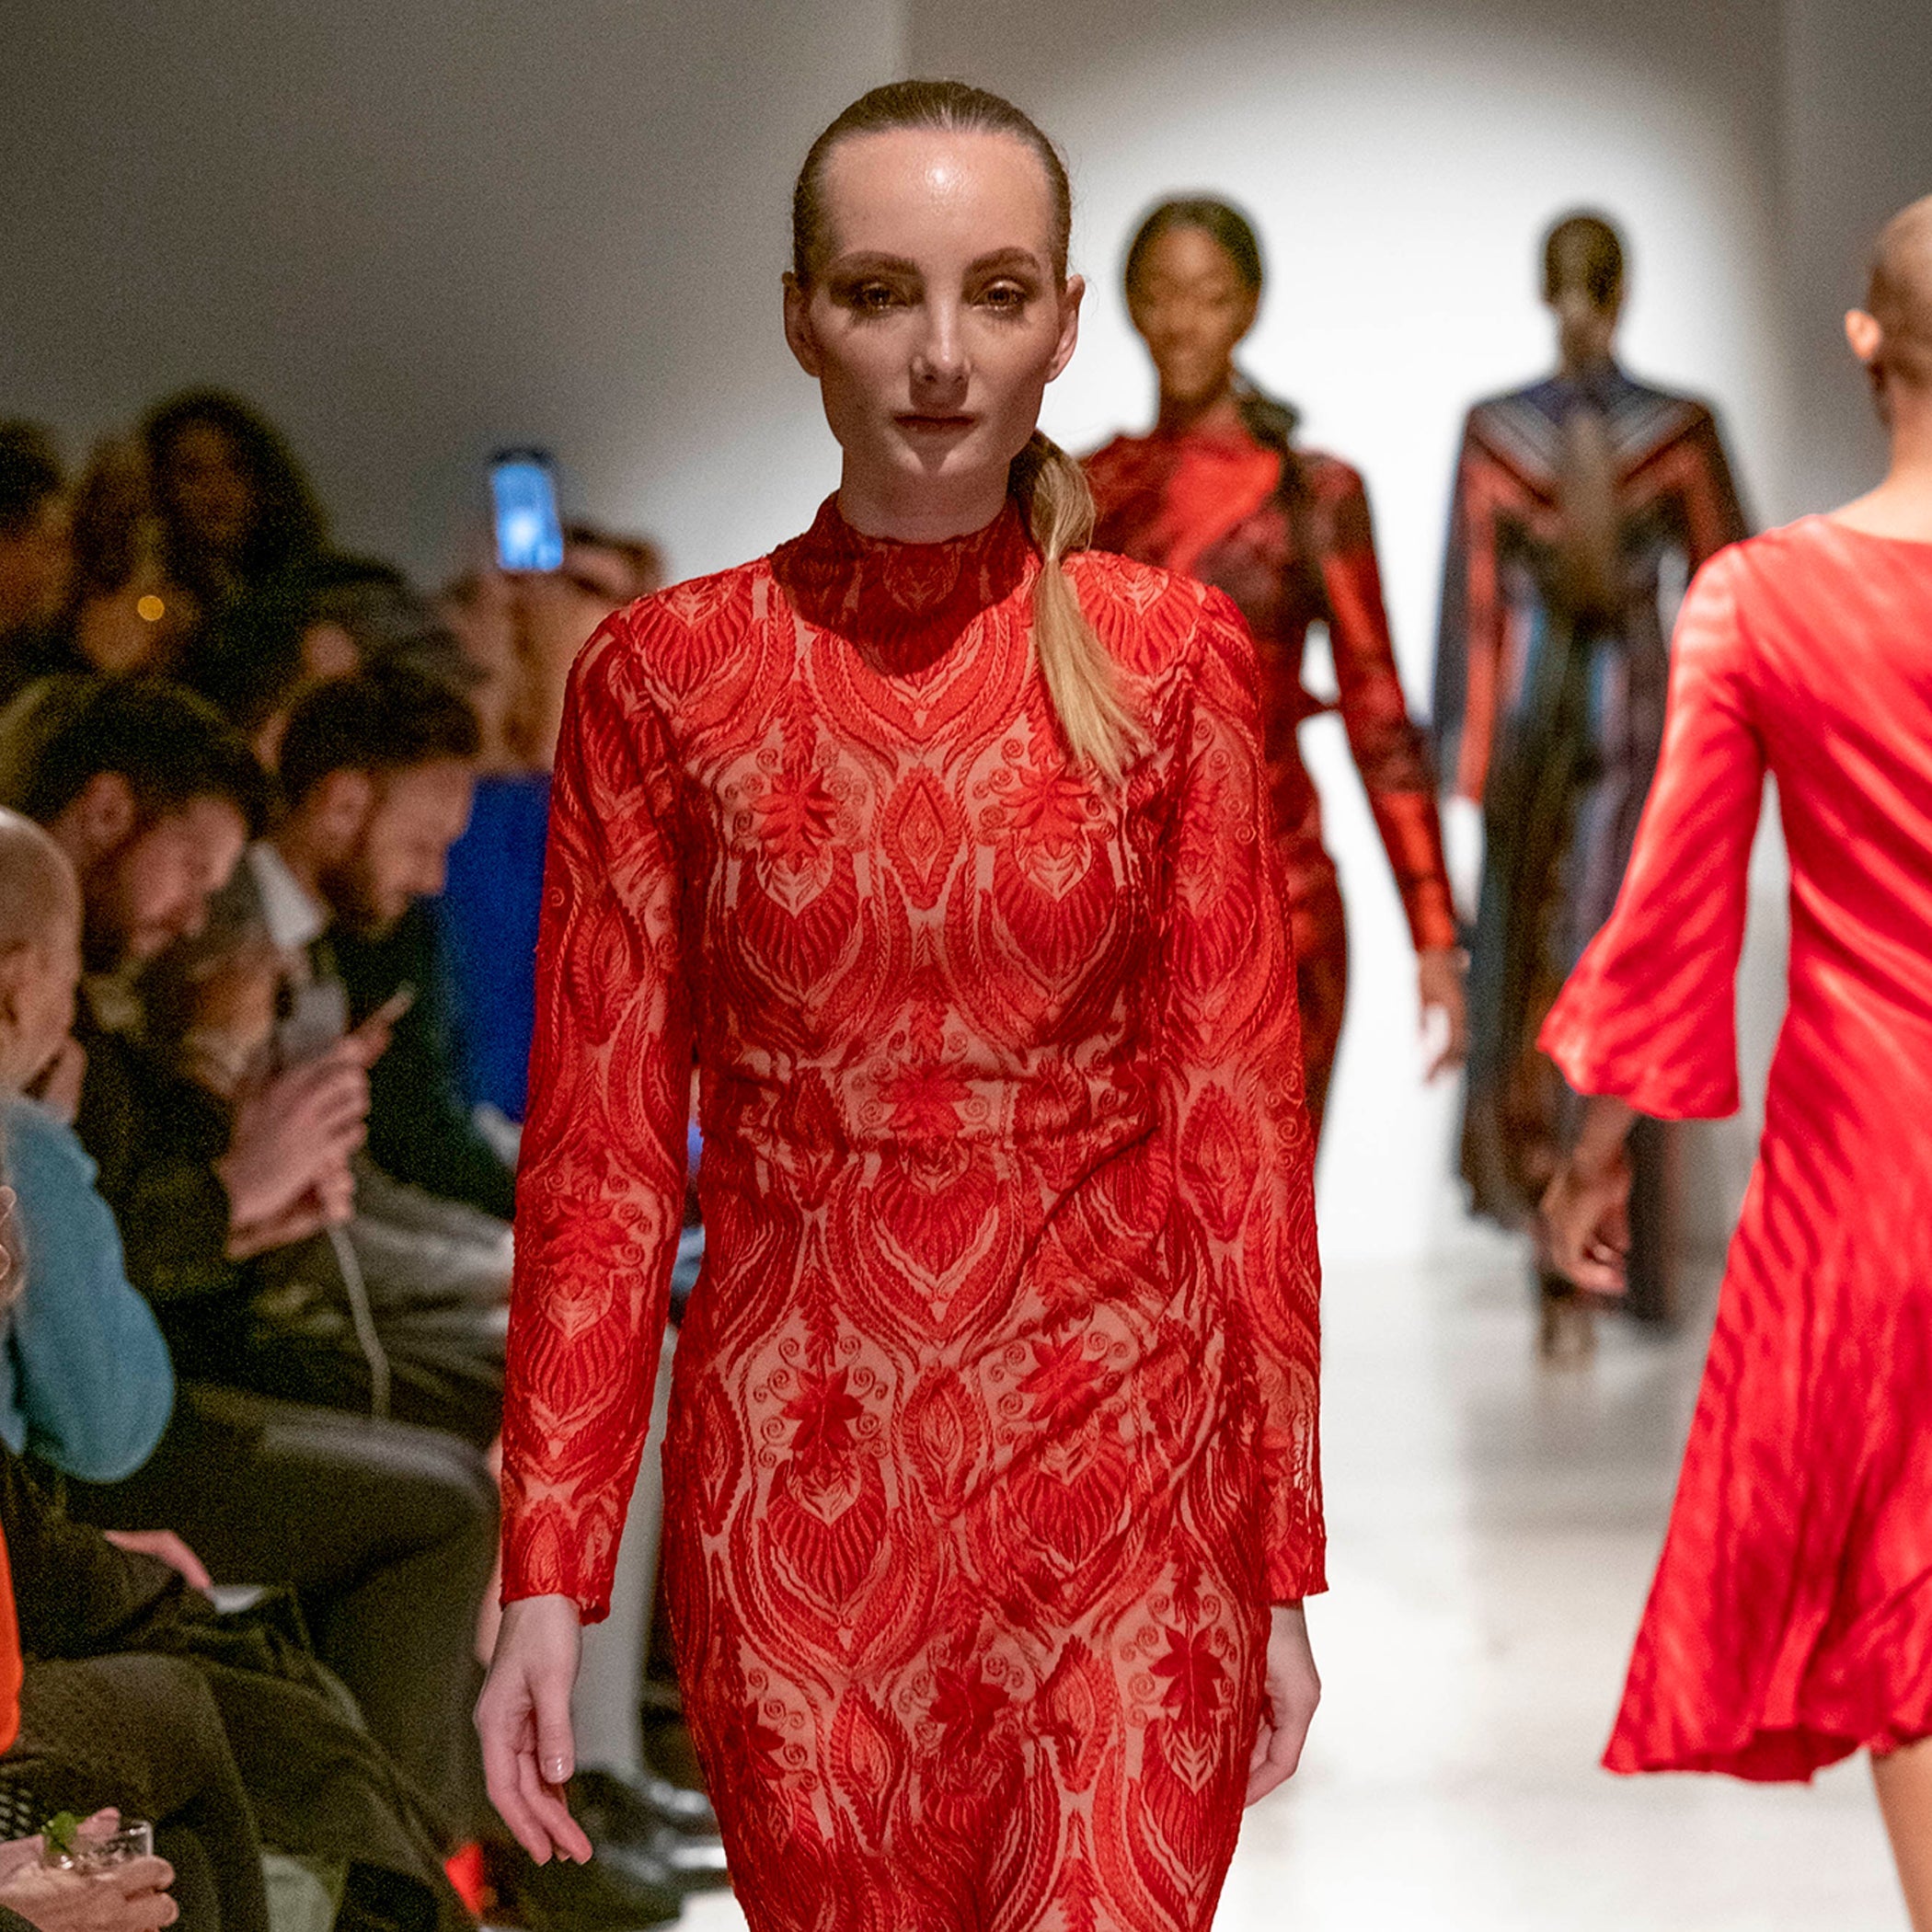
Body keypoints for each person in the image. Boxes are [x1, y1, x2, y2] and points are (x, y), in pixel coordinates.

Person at [479, 79, 1324, 1930]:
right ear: (799, 316)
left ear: (1066, 320)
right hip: (801, 1503)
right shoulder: (665, 679)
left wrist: (1282, 1546)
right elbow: (606, 1155)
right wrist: (546, 1561)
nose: (943, 356)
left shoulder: (1176, 663)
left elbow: (1239, 1121)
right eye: (881, 294)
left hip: (1132, 1492)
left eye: (998, 293)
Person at [1540, 195, 1932, 1927]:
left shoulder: (1763, 600)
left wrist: (1591, 1144)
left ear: (1865, 340)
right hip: (1865, 1131)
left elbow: (1674, 888)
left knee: (1911, 1581)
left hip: (1871, 1149)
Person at [0, 677, 497, 1833]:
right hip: (93, 1457)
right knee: (434, 1510)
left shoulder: (91, 1025)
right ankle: (420, 1874)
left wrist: (237, 1192)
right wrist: (230, 1178)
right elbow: (106, 1377)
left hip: (106, 1431)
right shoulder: (43, 1082)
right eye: (198, 872)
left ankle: (467, 1843)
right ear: (109, 815)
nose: (197, 911)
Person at [1434, 210, 1749, 1344]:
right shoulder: (1499, 430)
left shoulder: (1678, 426)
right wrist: (1468, 766)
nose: (1576, 301)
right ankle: (1550, 1254)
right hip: (1534, 755)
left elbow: (1728, 584)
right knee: (1528, 983)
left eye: (1590, 281)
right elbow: (1469, 600)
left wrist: (1728, 758)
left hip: (1640, 740)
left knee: (1626, 972)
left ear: (1616, 289)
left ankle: (1623, 1249)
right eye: (1563, 280)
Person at [1087, 198, 1466, 1137]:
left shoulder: (1313, 493)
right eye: (1160, 295)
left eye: (1210, 296)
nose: (1182, 322)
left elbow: (1381, 716)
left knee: (1266, 1238)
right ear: (1128, 306)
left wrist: (1434, 935)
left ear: (1250, 307)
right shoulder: (1084, 490)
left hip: (1278, 905)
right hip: (1110, 911)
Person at [0, 811, 173, 1484]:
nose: (66, 1018)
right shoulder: (19, 1148)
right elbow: (109, 1425)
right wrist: (47, 1145)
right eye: (66, 985)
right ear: (18, 981)